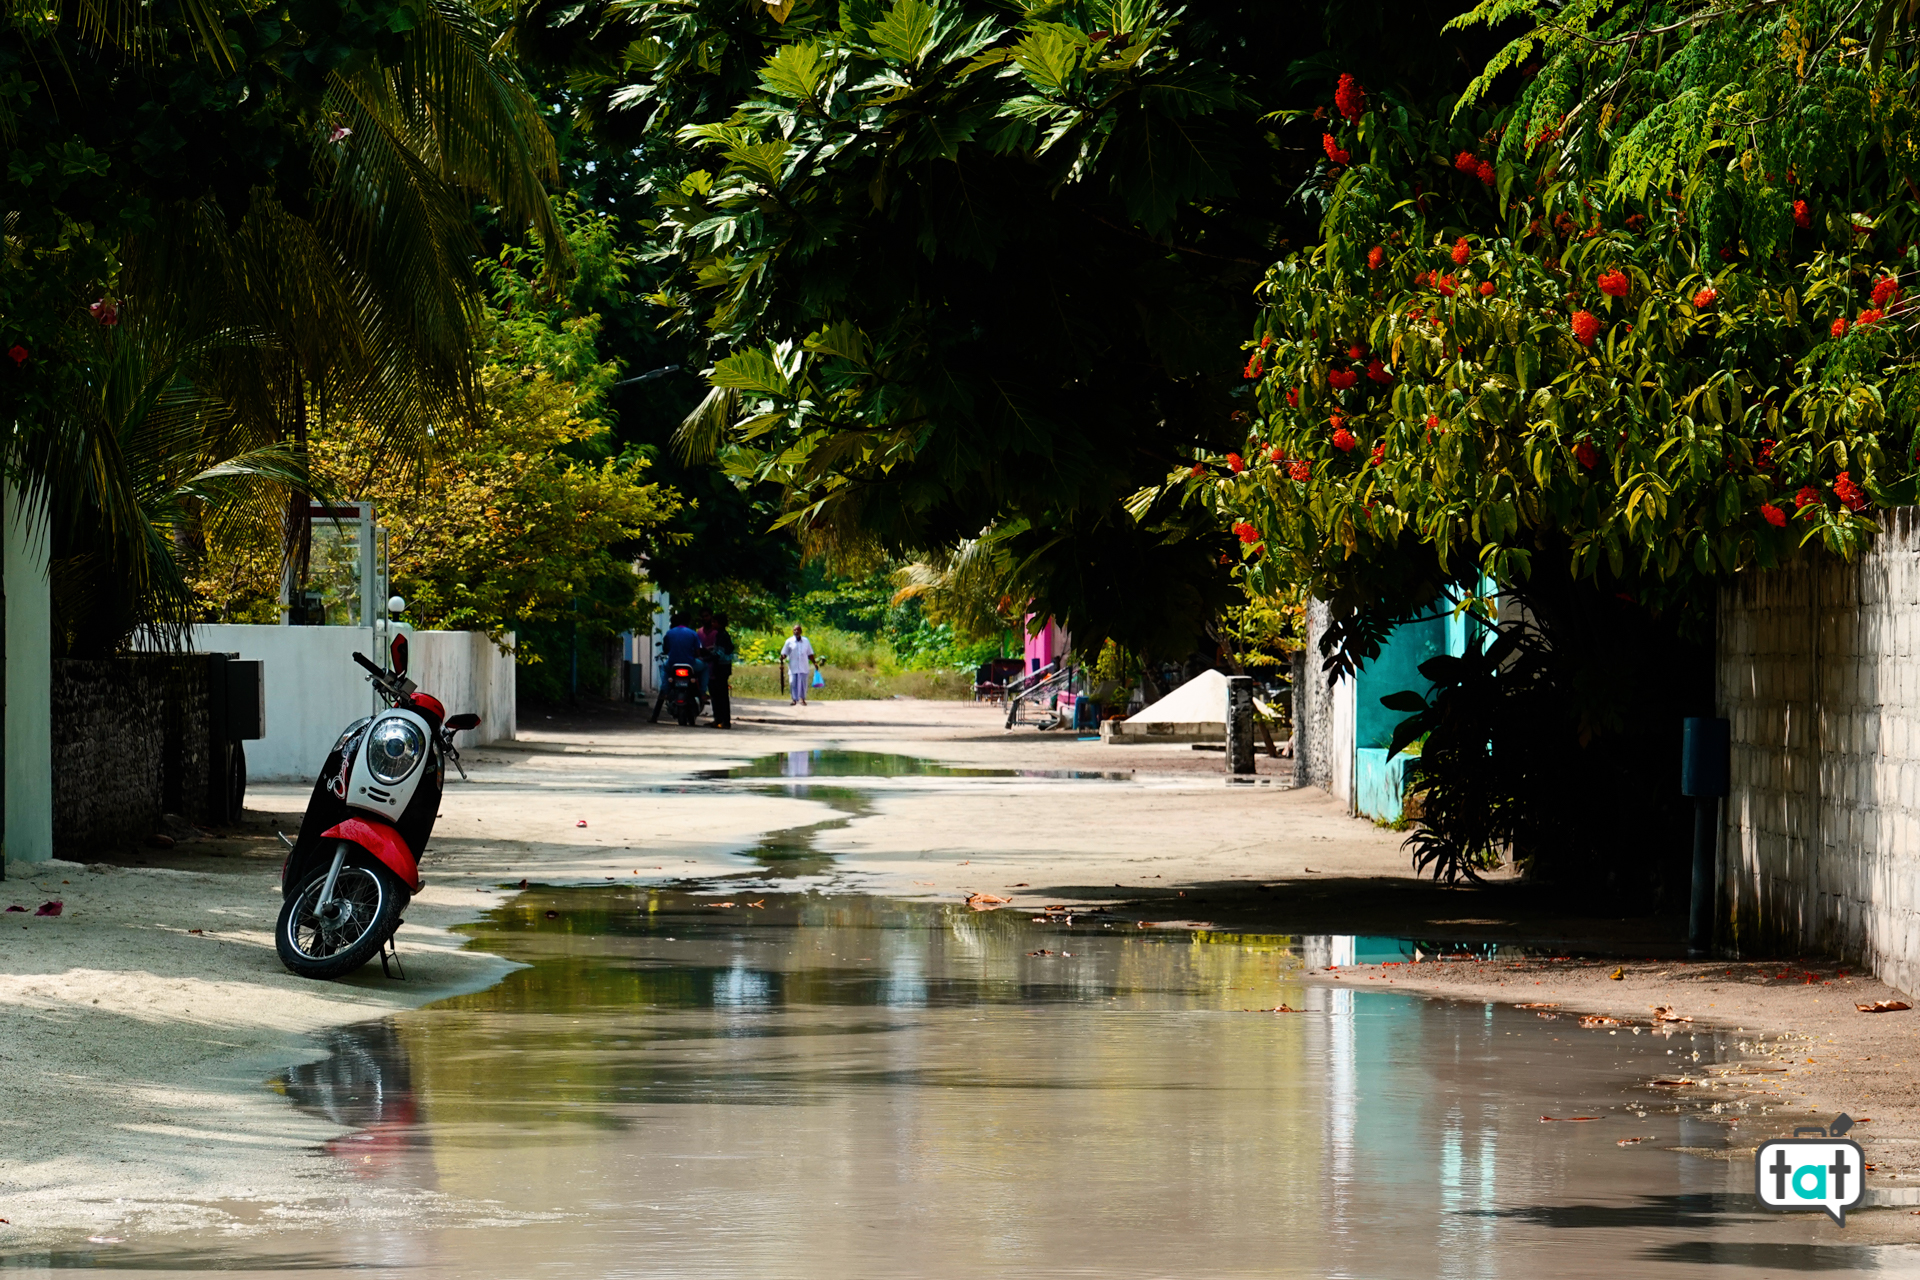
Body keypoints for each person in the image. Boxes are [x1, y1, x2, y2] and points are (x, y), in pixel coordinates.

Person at [650, 613, 705, 723]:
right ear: (688, 622)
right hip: (690, 664)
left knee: (664, 669)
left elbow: (666, 649)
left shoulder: (669, 633)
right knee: (705, 668)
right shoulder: (693, 633)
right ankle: (703, 692)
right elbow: (697, 652)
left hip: (673, 664)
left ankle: (664, 691)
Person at [779, 623, 818, 706]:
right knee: (793, 682)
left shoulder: (806, 641)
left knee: (803, 684)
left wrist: (814, 662)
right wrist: (782, 657)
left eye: (797, 630)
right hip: (793, 667)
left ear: (801, 631)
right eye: (794, 630)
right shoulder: (789, 641)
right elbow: (785, 653)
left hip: (803, 666)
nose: (796, 631)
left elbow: (810, 654)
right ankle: (794, 699)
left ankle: (802, 699)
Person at [708, 613, 735, 729]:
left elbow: (719, 654)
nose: (712, 624)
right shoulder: (723, 635)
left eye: (714, 622)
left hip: (721, 668)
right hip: (724, 667)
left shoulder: (721, 636)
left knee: (720, 695)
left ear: (719, 623)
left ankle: (724, 721)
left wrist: (706, 658)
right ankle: (719, 719)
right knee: (719, 695)